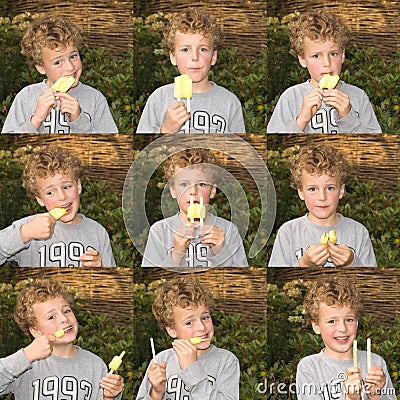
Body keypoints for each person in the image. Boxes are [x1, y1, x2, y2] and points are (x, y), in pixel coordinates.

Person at [0, 277, 124, 399]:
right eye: (51, 317)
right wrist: (26, 355)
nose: (64, 319)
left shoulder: (95, 365)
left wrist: (109, 396)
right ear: (36, 331)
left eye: (66, 311)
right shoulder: (24, 365)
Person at [267, 10, 382, 133]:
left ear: (342, 55)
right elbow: (273, 134)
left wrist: (348, 117)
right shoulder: (291, 97)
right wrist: (301, 120)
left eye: (333, 54)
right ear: (302, 60)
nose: (327, 63)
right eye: (316, 56)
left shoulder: (358, 96)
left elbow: (372, 140)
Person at [0, 145, 116, 266]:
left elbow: (111, 280)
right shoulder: (29, 226)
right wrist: (24, 233)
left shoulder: (97, 232)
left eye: (67, 187)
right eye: (50, 192)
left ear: (79, 186)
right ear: (40, 199)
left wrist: (101, 268)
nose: (62, 197)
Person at [2, 14, 118, 133]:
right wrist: (36, 120)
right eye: (57, 62)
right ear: (41, 67)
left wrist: (79, 121)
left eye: (73, 56)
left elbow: (109, 141)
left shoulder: (95, 99)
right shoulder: (26, 97)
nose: (70, 67)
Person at [136, 7, 245, 133]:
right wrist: (166, 130)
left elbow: (238, 149)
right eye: (185, 50)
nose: (194, 57)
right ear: (173, 57)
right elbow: (147, 151)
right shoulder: (159, 99)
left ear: (213, 57)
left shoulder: (230, 102)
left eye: (203, 49)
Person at [268, 144, 376, 267]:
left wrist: (351, 262)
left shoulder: (358, 232)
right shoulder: (288, 232)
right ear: (301, 192)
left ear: (341, 191)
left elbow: (369, 276)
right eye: (312, 189)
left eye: (330, 188)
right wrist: (304, 264)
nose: (322, 197)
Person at [136, 275, 240, 399]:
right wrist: (156, 393)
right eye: (189, 323)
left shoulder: (226, 361)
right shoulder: (161, 360)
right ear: (172, 330)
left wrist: (192, 368)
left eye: (205, 317)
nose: (201, 327)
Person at [141, 148, 248, 267]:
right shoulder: (160, 231)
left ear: (212, 191)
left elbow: (239, 276)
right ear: (173, 190)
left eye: (201, 184)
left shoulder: (228, 230)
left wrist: (221, 252)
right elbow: (156, 275)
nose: (193, 191)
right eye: (184, 184)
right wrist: (176, 254)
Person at [296, 277, 396, 399]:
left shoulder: (376, 363)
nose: (343, 328)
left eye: (349, 320)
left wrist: (377, 396)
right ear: (316, 326)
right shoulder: (310, 367)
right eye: (332, 321)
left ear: (357, 322)